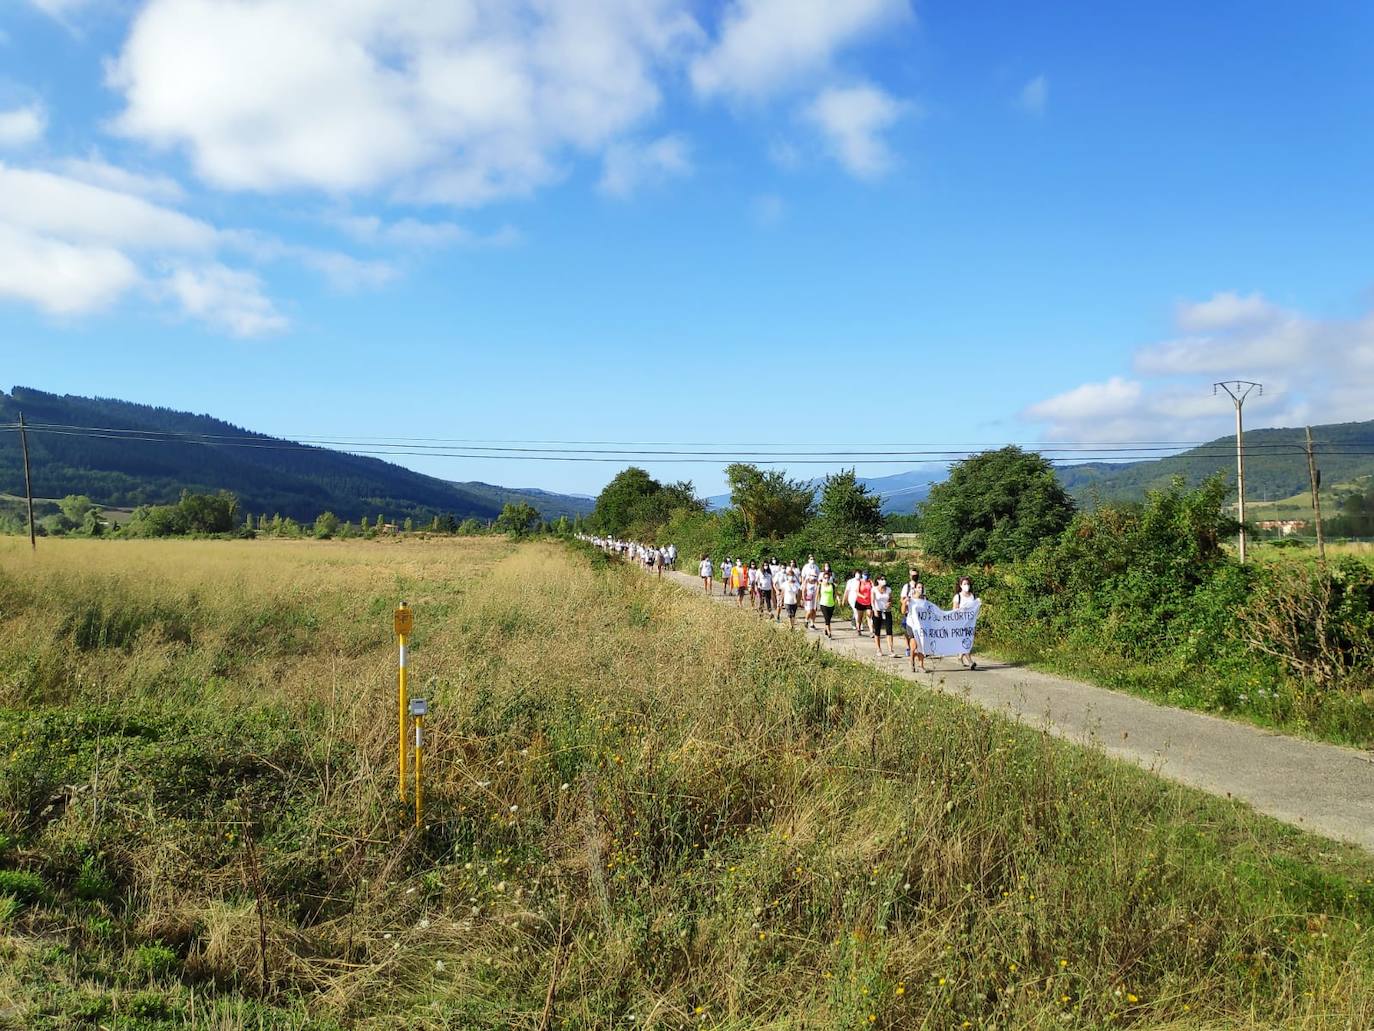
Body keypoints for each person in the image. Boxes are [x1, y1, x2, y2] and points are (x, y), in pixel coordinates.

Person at [901, 573, 927, 672]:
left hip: (922, 624)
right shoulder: (910, 599)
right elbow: (903, 611)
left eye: (922, 587)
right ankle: (911, 661)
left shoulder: (925, 599)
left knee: (922, 645)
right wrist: (904, 603)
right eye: (919, 587)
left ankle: (921, 665)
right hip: (911, 624)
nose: (920, 589)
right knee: (914, 645)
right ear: (915, 588)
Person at [951, 575, 978, 670]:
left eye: (968, 584)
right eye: (964, 584)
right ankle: (970, 662)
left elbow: (975, 608)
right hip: (960, 623)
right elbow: (954, 610)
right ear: (960, 585)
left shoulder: (972, 596)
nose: (967, 585)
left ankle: (960, 657)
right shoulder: (957, 596)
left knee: (968, 641)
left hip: (970, 623)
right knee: (965, 641)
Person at [871, 576, 893, 656]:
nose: (884, 581)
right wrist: (875, 610)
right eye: (882, 579)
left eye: (884, 579)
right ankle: (878, 649)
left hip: (887, 611)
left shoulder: (888, 589)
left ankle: (891, 650)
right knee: (877, 631)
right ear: (878, 580)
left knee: (889, 630)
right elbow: (872, 601)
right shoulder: (874, 589)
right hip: (877, 611)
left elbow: (891, 599)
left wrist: (889, 603)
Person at [817, 568, 837, 638]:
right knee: (827, 619)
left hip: (831, 604)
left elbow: (835, 594)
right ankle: (829, 632)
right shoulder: (820, 585)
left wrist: (838, 599)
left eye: (828, 578)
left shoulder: (832, 585)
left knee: (828, 619)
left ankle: (825, 629)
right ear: (823, 578)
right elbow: (817, 595)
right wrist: (816, 605)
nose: (826, 579)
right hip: (823, 604)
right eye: (825, 578)